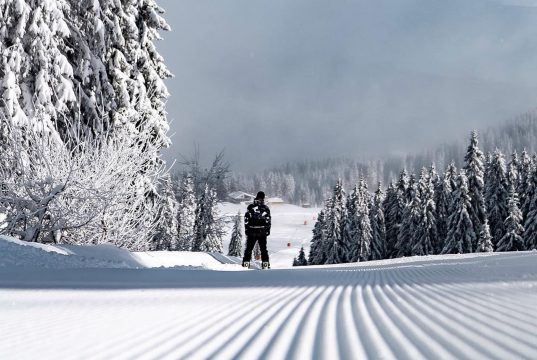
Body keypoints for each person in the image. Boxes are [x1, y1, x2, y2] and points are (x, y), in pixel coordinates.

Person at [242, 191, 271, 269]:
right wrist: (268, 230)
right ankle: (265, 265)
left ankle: (245, 265)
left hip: (252, 231)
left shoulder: (251, 207)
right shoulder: (265, 208)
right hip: (262, 231)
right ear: (263, 198)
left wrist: (247, 229)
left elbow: (246, 219)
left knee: (248, 249)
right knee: (264, 250)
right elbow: (268, 220)